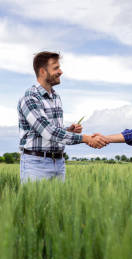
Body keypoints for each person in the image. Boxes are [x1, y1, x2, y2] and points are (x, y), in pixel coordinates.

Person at [18, 51, 107, 182]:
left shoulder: (56, 97)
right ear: (42, 71)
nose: (61, 72)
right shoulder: (30, 97)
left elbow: (50, 130)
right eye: (56, 68)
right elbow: (48, 132)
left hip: (59, 162)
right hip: (36, 164)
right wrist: (85, 138)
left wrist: (68, 130)